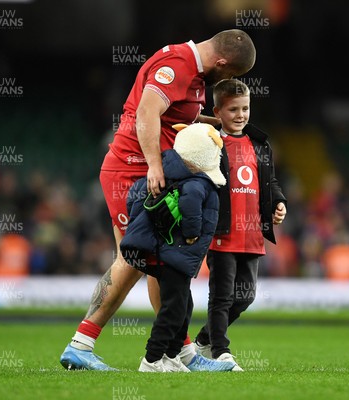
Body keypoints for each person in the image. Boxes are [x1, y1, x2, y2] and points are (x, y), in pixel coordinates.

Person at [60, 30, 256, 371]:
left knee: (159, 262)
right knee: (136, 258)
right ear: (222, 62)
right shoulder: (177, 64)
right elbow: (147, 114)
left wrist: (223, 127)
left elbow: (176, 120)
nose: (227, 81)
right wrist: (153, 165)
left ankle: (181, 354)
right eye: (230, 74)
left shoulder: (192, 74)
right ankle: (82, 343)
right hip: (131, 170)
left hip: (151, 171)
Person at [121, 123, 234, 372]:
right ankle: (151, 360)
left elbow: (133, 198)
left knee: (184, 306)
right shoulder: (196, 183)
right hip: (176, 256)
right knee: (173, 310)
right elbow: (192, 206)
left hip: (171, 256)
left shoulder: (169, 176)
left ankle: (171, 357)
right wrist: (193, 234)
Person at [193, 79, 287, 370]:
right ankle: (221, 351)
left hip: (252, 233)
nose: (241, 115)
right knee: (221, 297)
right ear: (217, 111)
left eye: (245, 108)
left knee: (246, 296)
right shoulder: (210, 143)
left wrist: (278, 203)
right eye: (233, 109)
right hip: (222, 233)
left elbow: (269, 182)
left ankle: (202, 340)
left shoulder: (259, 144)